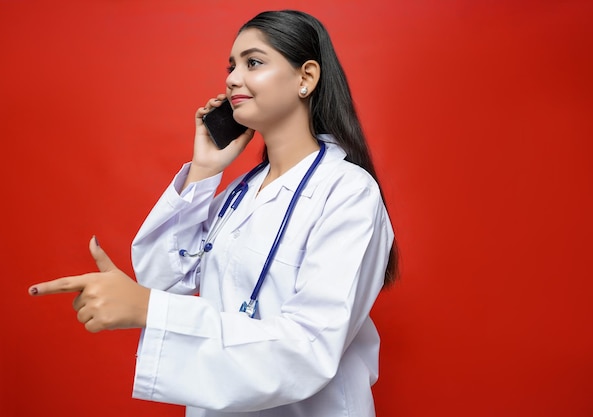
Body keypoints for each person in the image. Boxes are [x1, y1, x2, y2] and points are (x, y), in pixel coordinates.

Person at [29, 9, 399, 417]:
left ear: (305, 78)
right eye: (232, 66)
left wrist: (148, 308)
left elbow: (309, 347)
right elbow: (163, 282)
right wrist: (205, 169)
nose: (232, 79)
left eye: (253, 63)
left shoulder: (348, 193)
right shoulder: (239, 194)